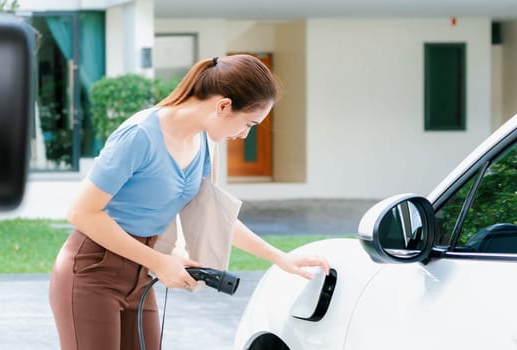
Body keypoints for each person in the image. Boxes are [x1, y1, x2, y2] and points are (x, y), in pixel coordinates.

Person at [48, 54, 330, 350]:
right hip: (91, 271)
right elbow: (81, 212)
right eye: (248, 124)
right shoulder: (140, 136)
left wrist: (279, 257)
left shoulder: (204, 144)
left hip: (140, 274)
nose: (244, 135)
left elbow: (213, 218)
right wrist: (159, 262)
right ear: (223, 105)